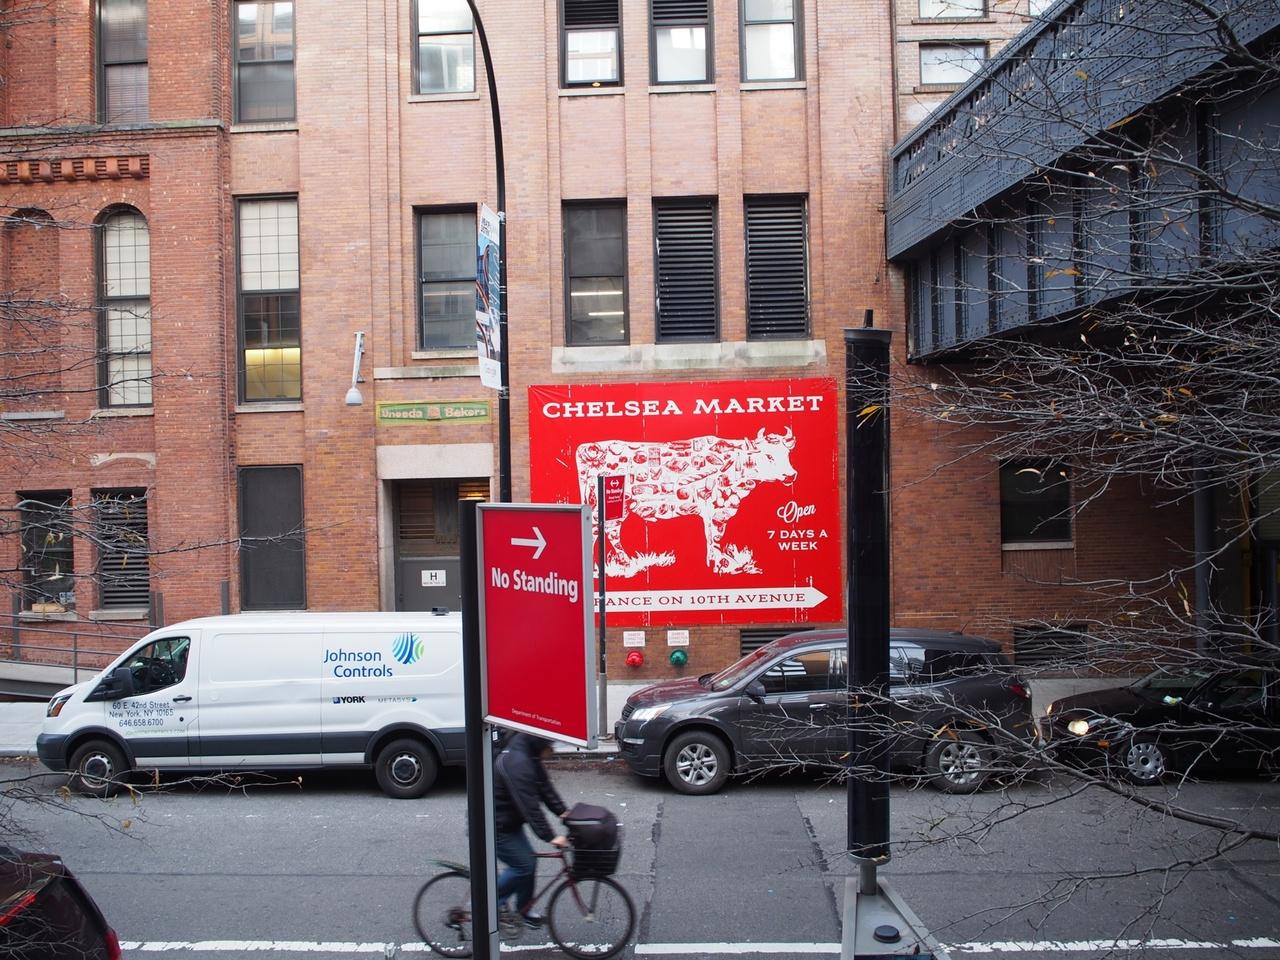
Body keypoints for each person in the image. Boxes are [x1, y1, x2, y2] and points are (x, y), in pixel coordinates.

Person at [493, 733, 568, 928]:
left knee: (529, 863)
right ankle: (488, 904)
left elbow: (545, 788)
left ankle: (523, 911)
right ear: (540, 743)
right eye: (550, 745)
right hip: (495, 826)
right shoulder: (519, 763)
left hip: (508, 822)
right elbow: (529, 807)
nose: (552, 751)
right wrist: (551, 836)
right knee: (524, 866)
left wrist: (563, 812)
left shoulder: (529, 753)